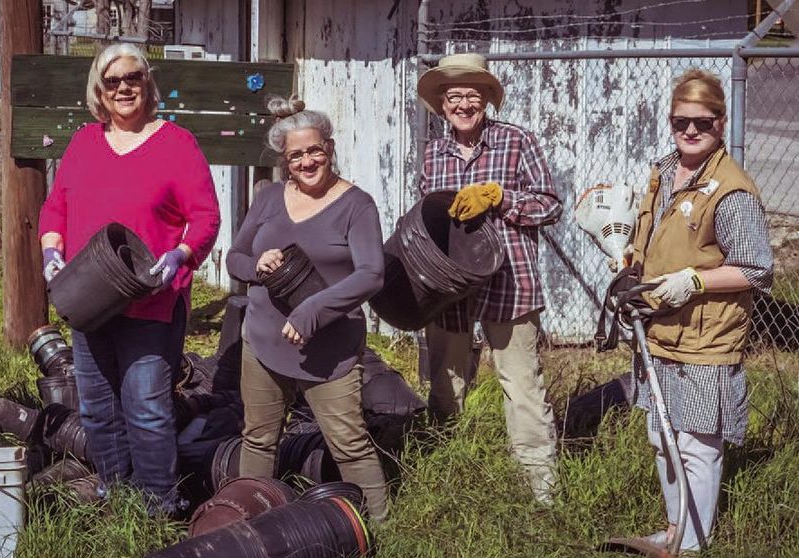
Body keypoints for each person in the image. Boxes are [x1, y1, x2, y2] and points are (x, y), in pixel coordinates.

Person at [37, 43, 220, 515]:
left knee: (146, 406)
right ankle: (117, 495)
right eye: (112, 80)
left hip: (150, 298)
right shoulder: (83, 143)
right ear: (99, 89)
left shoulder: (176, 144)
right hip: (89, 297)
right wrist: (52, 251)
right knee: (97, 407)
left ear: (147, 82)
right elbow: (56, 206)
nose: (123, 88)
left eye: (133, 77)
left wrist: (181, 254)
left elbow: (205, 217)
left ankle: (159, 504)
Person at [625, 68, 772, 558]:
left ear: (720, 124)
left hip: (706, 335)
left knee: (697, 444)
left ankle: (692, 549)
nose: (690, 131)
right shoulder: (665, 170)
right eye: (680, 121)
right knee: (663, 435)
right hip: (659, 326)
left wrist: (694, 280)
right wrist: (629, 261)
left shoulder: (731, 189)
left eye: (702, 123)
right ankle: (674, 531)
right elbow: (651, 236)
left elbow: (756, 270)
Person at [226, 95, 389, 520]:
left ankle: (381, 531)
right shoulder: (268, 198)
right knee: (259, 439)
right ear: (285, 160)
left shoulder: (357, 204)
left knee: (348, 443)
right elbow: (235, 258)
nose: (307, 161)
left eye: (315, 150)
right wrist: (256, 266)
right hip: (262, 341)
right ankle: (254, 522)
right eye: (296, 155)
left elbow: (371, 273)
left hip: (329, 348)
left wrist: (312, 310)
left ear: (330, 148)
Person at [414, 53, 561, 503]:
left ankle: (541, 491)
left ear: (487, 101)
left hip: (509, 280)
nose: (462, 105)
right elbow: (425, 218)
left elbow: (550, 205)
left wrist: (500, 198)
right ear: (441, 104)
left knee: (522, 386)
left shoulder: (517, 141)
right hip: (452, 286)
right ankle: (443, 474)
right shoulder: (432, 153)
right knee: (445, 379)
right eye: (453, 96)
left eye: (472, 96)